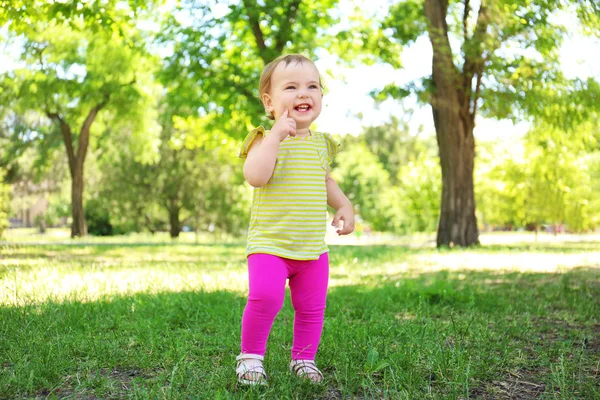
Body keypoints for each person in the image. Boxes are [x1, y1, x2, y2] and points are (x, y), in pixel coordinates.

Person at [235, 54, 355, 385]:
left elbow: (325, 181)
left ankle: (303, 360)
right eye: (291, 87)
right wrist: (275, 136)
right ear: (269, 102)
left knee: (312, 306)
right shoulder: (263, 138)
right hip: (269, 243)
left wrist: (344, 204)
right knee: (266, 297)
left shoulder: (321, 145)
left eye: (312, 86)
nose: (304, 93)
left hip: (312, 248)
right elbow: (256, 176)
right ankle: (250, 358)